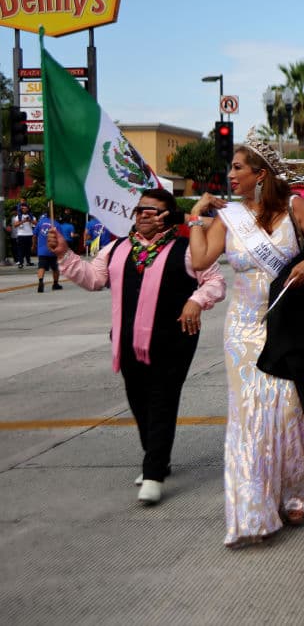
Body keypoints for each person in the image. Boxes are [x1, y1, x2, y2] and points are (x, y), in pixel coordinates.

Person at [188, 128, 304, 547]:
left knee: (285, 411)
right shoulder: (228, 218)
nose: (231, 175)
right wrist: (195, 219)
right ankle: (252, 509)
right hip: (242, 330)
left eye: (237, 167)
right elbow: (201, 260)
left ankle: (292, 490)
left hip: (285, 324)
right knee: (247, 419)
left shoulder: (294, 208)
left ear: (260, 174)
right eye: (231, 168)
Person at [47, 188, 225, 504]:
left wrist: (196, 301)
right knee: (139, 401)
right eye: (141, 209)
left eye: (154, 210)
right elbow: (92, 279)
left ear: (169, 217)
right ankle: (157, 457)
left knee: (162, 400)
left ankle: (154, 472)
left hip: (173, 342)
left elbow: (214, 281)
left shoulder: (186, 249)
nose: (144, 214)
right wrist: (64, 254)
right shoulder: (116, 250)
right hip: (128, 340)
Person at [34, 213, 63, 293]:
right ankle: (55, 284)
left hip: (42, 250)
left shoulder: (40, 222)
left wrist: (34, 245)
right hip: (52, 250)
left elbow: (34, 235)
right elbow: (60, 238)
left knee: (41, 266)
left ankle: (40, 281)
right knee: (55, 268)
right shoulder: (57, 224)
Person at [12, 202, 36, 268]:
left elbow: (36, 223)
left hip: (29, 234)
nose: (25, 209)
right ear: (21, 209)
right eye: (23, 208)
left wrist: (30, 220)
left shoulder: (32, 216)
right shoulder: (18, 217)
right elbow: (15, 225)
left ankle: (28, 262)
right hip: (21, 235)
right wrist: (23, 221)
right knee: (21, 250)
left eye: (26, 208)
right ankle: (21, 263)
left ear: (28, 209)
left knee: (28, 249)